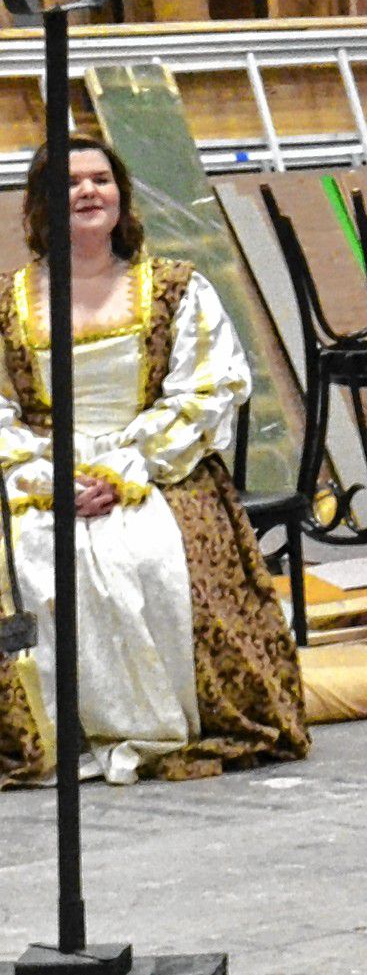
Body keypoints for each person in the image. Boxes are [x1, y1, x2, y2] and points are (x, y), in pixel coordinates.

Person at [0, 135, 307, 785]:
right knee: (27, 548)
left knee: (146, 555)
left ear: (121, 197)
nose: (87, 191)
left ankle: (165, 715)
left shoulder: (175, 288)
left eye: (100, 180)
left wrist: (123, 470)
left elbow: (209, 389)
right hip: (40, 469)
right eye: (68, 182)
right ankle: (61, 729)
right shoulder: (7, 304)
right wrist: (45, 474)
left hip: (154, 465)